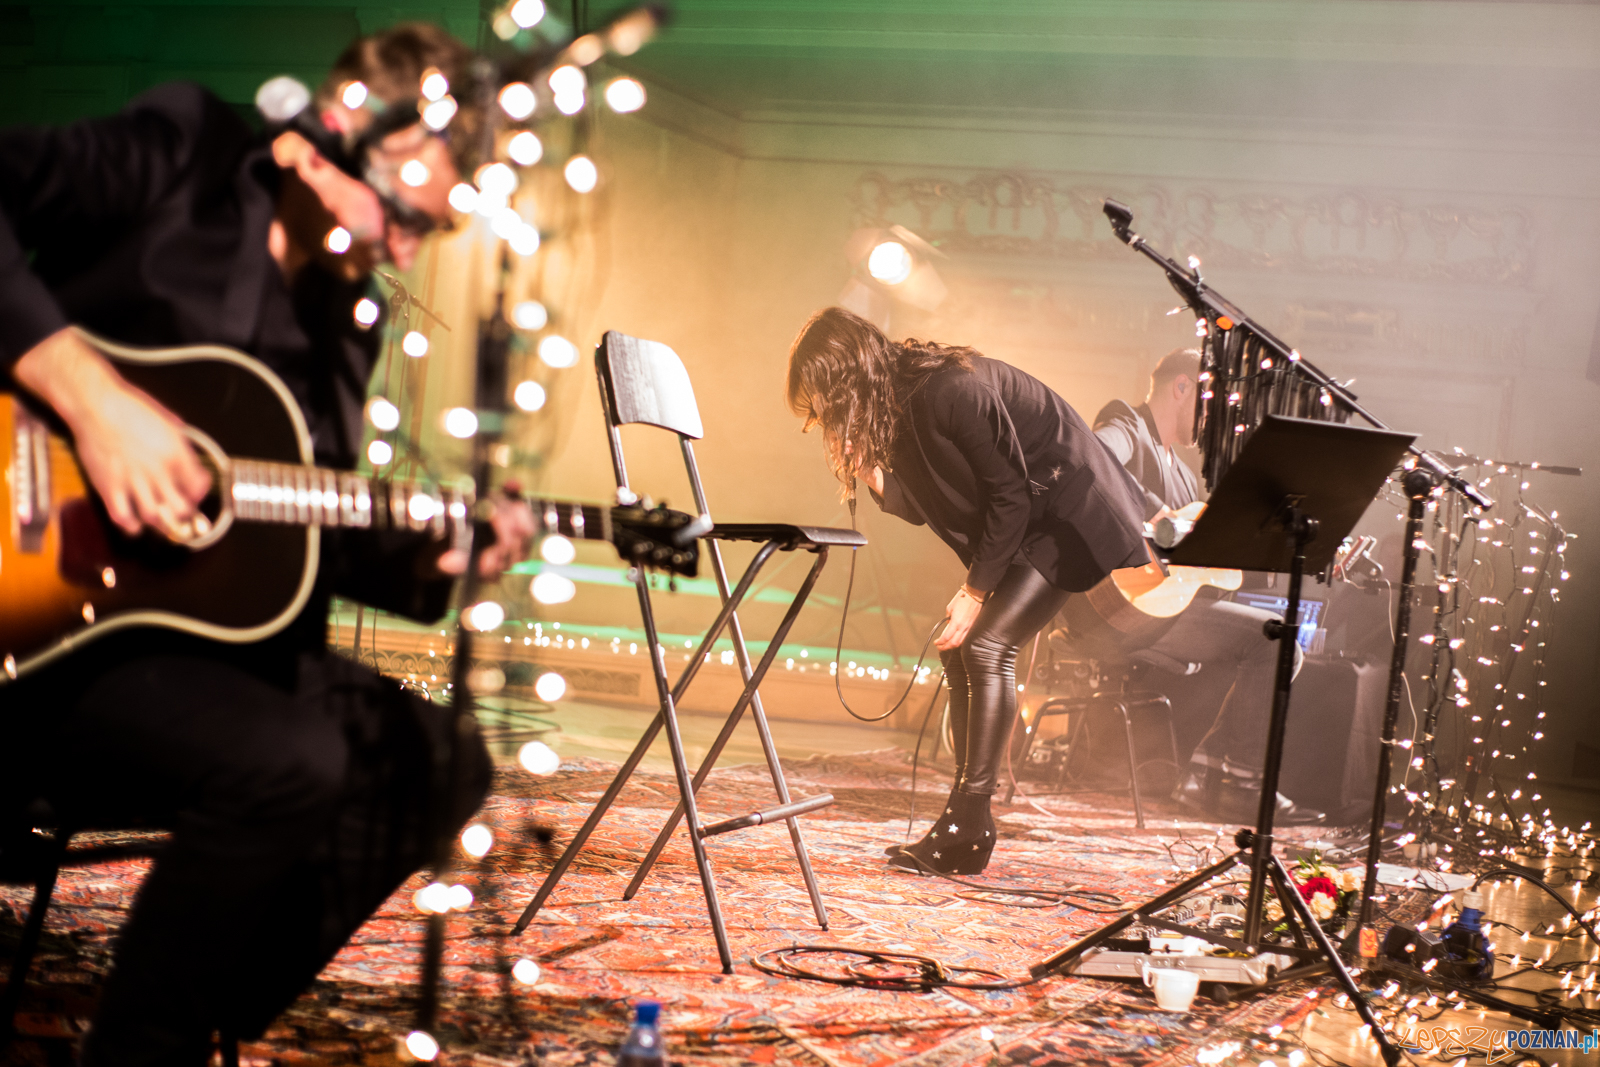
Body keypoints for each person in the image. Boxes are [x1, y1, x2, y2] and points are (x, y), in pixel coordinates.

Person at [0, 24, 526, 1065]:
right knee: (292, 758)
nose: (412, 249)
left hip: (180, 643)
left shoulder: (347, 320)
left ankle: (188, 1007)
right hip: (37, 631)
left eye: (436, 229)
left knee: (440, 756)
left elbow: (296, 524)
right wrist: (90, 396)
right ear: (325, 137)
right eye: (408, 215)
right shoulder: (185, 153)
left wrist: (428, 558)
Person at [786, 307, 1151, 875]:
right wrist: (871, 471)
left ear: (849, 375)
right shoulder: (897, 408)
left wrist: (976, 591)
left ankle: (970, 822)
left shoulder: (946, 390)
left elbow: (1011, 495)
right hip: (1031, 520)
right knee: (961, 649)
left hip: (1068, 509)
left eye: (826, 398)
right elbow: (927, 506)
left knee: (986, 647)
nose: (826, 416)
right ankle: (964, 821)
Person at [1092, 348, 1322, 825]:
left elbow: (1202, 570)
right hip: (1112, 608)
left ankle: (1204, 773)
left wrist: (1288, 551)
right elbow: (1093, 460)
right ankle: (1232, 781)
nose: (1217, 421)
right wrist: (1156, 514)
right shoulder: (1126, 424)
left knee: (1271, 639)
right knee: (1276, 644)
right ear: (1182, 387)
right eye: (1213, 405)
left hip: (1163, 613)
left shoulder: (1185, 477)